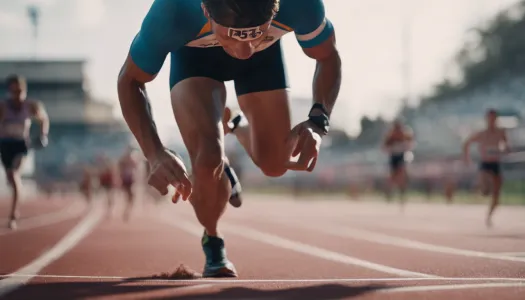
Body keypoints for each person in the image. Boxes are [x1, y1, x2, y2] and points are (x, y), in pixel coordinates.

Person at [117, 0, 341, 277]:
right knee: (207, 158)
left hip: (264, 60)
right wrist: (154, 153)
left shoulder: (299, 4)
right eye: (231, 37)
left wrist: (319, 120)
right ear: (205, 9)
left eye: (256, 34)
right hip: (194, 60)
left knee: (277, 164)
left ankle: (233, 122)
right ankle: (212, 237)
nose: (244, 51)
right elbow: (129, 80)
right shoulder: (173, 10)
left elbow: (327, 55)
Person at [0, 74, 49, 230]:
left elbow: (43, 119)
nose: (17, 95)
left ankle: (13, 214)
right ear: (9, 91)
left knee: (14, 176)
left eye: (20, 91)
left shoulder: (31, 106)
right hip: (5, 145)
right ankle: (16, 203)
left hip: (21, 145)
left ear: (24, 91)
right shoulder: (3, 106)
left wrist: (43, 134)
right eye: (14, 91)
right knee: (10, 178)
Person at [463, 109, 510, 228]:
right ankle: (479, 186)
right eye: (490, 118)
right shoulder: (482, 134)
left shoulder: (501, 132)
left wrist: (504, 150)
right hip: (485, 164)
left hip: (496, 164)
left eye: (494, 118)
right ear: (486, 119)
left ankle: (489, 216)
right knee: (485, 190)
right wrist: (466, 158)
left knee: (496, 196)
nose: (492, 121)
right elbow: (467, 142)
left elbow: (506, 145)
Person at [381, 119, 414, 207]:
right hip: (393, 157)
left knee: (402, 174)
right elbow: (384, 147)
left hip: (402, 156)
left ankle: (402, 194)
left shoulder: (405, 134)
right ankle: (389, 193)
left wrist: (405, 146)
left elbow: (411, 144)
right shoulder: (390, 136)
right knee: (392, 177)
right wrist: (392, 149)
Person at [118, 146, 141, 221]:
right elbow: (120, 169)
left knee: (130, 197)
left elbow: (135, 167)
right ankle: (126, 212)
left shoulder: (129, 159)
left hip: (129, 179)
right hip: (127, 179)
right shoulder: (126, 159)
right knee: (130, 197)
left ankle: (126, 211)